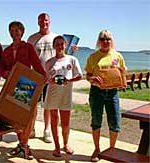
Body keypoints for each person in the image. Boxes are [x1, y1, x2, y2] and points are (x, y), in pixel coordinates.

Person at [0, 21, 46, 160]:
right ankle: (22, 145)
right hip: (12, 87)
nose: (14, 33)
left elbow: (37, 66)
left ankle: (24, 144)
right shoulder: (6, 50)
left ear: (22, 32)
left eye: (17, 30)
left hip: (27, 86)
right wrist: (5, 73)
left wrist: (44, 79)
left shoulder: (28, 47)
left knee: (30, 116)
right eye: (12, 30)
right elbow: (2, 69)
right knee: (16, 118)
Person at [85, 29, 127, 162]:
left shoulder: (117, 56)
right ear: (99, 41)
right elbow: (87, 75)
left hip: (113, 92)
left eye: (108, 39)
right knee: (96, 121)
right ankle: (97, 149)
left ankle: (111, 150)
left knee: (114, 122)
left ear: (111, 40)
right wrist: (93, 79)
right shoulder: (93, 57)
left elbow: (122, 72)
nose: (105, 41)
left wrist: (123, 83)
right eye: (102, 39)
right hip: (97, 92)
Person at [44, 35, 82, 157]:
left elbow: (80, 76)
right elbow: (46, 79)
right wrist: (51, 80)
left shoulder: (72, 59)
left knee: (65, 123)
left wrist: (68, 80)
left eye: (62, 44)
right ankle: (56, 146)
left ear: (66, 45)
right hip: (52, 94)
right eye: (57, 44)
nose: (60, 46)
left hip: (66, 95)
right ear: (54, 46)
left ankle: (66, 144)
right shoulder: (49, 62)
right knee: (54, 121)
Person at [27, 13, 57, 143]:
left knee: (48, 105)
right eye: (41, 20)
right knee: (33, 105)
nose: (43, 22)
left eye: (45, 20)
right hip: (35, 77)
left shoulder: (55, 37)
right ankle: (32, 128)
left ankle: (47, 130)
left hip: (50, 78)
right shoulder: (32, 38)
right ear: (37, 22)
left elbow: (62, 54)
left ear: (49, 21)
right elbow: (27, 58)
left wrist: (72, 50)